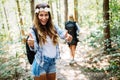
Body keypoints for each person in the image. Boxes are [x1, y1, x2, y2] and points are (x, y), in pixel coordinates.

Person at [27, 3, 72, 80]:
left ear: (49, 15)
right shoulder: (33, 30)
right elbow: (34, 49)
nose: (44, 18)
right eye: (41, 15)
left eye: (46, 15)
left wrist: (68, 37)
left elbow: (62, 34)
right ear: (37, 16)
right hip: (40, 63)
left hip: (52, 62)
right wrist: (31, 45)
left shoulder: (53, 26)